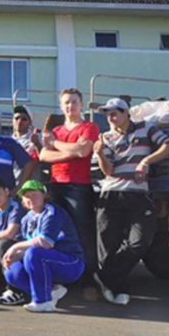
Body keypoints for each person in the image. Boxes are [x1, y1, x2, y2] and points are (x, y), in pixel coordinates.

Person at [93, 97, 169, 306]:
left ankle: (102, 278)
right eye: (107, 114)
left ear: (126, 113)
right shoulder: (105, 137)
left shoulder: (145, 128)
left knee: (139, 242)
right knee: (108, 245)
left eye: (114, 113)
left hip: (138, 194)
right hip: (111, 193)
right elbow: (109, 171)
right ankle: (120, 289)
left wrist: (145, 161)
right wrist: (99, 153)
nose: (110, 118)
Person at [40, 88, 99, 282]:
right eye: (66, 102)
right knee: (54, 231)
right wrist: (72, 151)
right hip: (56, 185)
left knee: (84, 233)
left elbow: (84, 151)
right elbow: (43, 156)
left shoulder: (89, 127)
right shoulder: (57, 130)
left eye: (74, 102)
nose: (70, 106)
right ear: (61, 106)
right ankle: (58, 276)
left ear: (81, 104)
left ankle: (87, 280)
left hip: (79, 187)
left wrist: (56, 144)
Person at [1, 180, 85, 313]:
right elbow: (25, 248)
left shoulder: (53, 211)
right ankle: (51, 291)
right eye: (27, 196)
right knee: (12, 271)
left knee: (34, 253)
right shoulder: (26, 219)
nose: (31, 198)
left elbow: (46, 242)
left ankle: (43, 301)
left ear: (44, 195)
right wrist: (12, 257)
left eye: (35, 194)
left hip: (71, 263)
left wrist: (14, 247)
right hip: (45, 261)